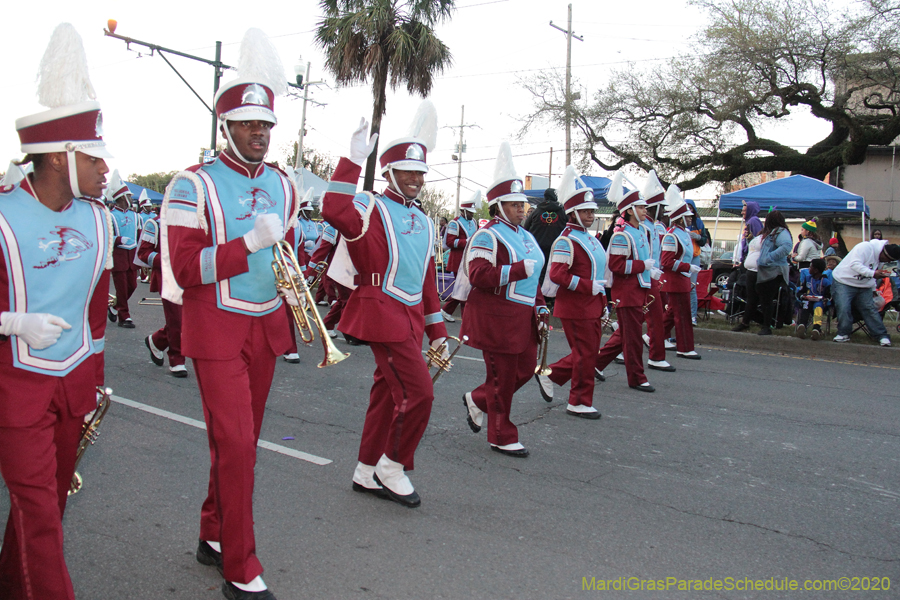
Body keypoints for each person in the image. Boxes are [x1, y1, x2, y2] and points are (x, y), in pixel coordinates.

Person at [162, 28, 298, 600]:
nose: (259, 134)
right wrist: (246, 244)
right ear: (226, 127)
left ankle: (213, 531)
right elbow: (187, 268)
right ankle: (239, 566)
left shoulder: (285, 184)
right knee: (238, 444)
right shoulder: (191, 184)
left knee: (240, 441)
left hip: (265, 325)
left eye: (265, 125)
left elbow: (287, 255)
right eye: (247, 124)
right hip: (216, 327)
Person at [0, 23, 113, 600]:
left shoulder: (100, 219)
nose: (105, 169)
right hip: (14, 389)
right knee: (40, 512)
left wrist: (93, 379)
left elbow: (97, 311)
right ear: (60, 157)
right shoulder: (0, 216)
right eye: (94, 157)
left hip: (72, 389)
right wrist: (11, 322)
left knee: (45, 510)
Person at [321, 102, 448, 508]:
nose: (415, 179)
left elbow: (426, 281)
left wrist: (438, 331)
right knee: (419, 394)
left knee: (385, 394)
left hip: (409, 315)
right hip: (380, 311)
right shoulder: (370, 205)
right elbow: (333, 210)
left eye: (420, 173)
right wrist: (353, 159)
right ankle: (392, 466)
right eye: (407, 171)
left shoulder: (427, 221)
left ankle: (365, 469)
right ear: (390, 172)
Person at [460, 141, 549, 452]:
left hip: (524, 315)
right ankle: (502, 435)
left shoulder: (525, 235)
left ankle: (477, 399)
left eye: (522, 204)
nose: (521, 209)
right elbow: (478, 276)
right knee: (501, 376)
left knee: (525, 370)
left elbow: (533, 274)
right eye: (514, 205)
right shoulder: (487, 234)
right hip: (497, 316)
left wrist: (540, 306)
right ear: (498, 206)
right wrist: (515, 270)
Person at [541, 166, 606, 419]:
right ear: (573, 213)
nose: (591, 215)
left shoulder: (588, 237)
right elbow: (557, 274)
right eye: (586, 211)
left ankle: (551, 375)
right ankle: (577, 401)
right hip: (576, 306)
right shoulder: (566, 239)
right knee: (585, 354)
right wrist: (588, 286)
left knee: (588, 353)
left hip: (591, 304)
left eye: (592, 211)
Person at [594, 172, 659, 392]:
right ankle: (637, 377)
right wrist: (644, 266)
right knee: (632, 339)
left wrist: (651, 270)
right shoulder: (622, 235)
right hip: (627, 292)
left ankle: (597, 363)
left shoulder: (639, 231)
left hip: (638, 290)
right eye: (640, 208)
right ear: (630, 210)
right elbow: (617, 266)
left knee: (627, 334)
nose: (645, 211)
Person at [138, 209, 186, 376]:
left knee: (186, 319)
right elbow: (143, 253)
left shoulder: (192, 221)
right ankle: (177, 359)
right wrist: (166, 260)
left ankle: (157, 341)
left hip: (189, 275)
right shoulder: (154, 223)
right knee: (177, 319)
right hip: (168, 278)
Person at [831, 239, 899, 346]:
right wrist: (873, 273)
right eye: (888, 259)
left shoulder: (880, 261)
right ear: (884, 253)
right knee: (843, 307)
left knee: (869, 309)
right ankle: (843, 333)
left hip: (864, 286)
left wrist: (873, 289)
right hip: (844, 281)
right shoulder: (864, 248)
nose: (887, 262)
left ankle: (881, 335)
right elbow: (855, 264)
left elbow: (872, 277)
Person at [661, 185, 703, 359]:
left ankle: (653, 336)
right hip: (675, 280)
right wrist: (688, 267)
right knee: (682, 314)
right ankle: (684, 348)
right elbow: (666, 261)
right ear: (679, 218)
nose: (689, 219)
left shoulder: (684, 233)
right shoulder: (671, 235)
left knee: (673, 313)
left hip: (683, 278)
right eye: (686, 216)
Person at [639, 170, 675, 372]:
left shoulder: (655, 226)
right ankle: (655, 356)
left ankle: (656, 355)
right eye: (661, 207)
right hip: (643, 278)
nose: (663, 211)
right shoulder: (643, 227)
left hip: (653, 278)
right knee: (651, 319)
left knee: (652, 319)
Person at [280, 189, 319, 363]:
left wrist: (304, 275)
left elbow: (301, 252)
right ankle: (290, 349)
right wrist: (303, 274)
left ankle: (289, 348)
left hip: (278, 272)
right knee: (289, 312)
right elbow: (301, 253)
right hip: (291, 271)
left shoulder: (288, 223)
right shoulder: (296, 224)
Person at [441, 190, 481, 322]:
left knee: (464, 288)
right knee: (462, 288)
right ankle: (464, 316)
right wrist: (467, 241)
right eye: (469, 212)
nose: (471, 215)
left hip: (469, 260)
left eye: (472, 213)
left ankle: (447, 311)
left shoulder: (474, 222)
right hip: (457, 260)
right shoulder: (454, 223)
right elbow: (450, 242)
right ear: (463, 211)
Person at [107, 170, 140, 329]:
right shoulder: (110, 216)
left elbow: (140, 235)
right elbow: (106, 237)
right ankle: (124, 316)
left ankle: (114, 306)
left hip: (132, 254)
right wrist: (118, 239)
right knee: (121, 287)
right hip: (119, 254)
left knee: (132, 286)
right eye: (128, 196)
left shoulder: (136, 216)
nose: (131, 199)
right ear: (121, 198)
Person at [523, 187, 567, 292]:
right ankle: (550, 296)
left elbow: (525, 229)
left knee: (538, 272)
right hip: (556, 249)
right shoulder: (563, 212)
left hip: (537, 248)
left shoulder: (536, 211)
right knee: (554, 272)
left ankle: (537, 295)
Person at [795, 258, 831, 341]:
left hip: (820, 301)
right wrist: (802, 296)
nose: (809, 269)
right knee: (805, 305)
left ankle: (816, 328)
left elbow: (829, 295)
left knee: (818, 307)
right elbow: (801, 291)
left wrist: (826, 299)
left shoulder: (825, 282)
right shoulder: (808, 279)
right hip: (808, 299)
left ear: (816, 270)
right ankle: (802, 325)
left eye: (810, 267)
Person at [686, 199, 706, 324]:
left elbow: (704, 240)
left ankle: (693, 315)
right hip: (682, 257)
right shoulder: (677, 222)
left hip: (694, 256)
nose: (689, 210)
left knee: (692, 286)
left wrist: (697, 237)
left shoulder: (698, 222)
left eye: (690, 208)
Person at [734, 200, 764, 267]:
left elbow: (757, 240)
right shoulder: (749, 221)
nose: (742, 213)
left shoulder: (753, 221)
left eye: (744, 211)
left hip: (751, 257)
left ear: (750, 211)